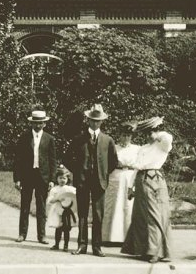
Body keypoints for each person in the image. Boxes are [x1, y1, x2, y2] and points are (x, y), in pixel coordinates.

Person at [120, 117, 174, 263]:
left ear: (156, 131)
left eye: (150, 132)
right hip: (141, 180)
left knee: (155, 215)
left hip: (154, 180)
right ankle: (144, 250)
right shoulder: (143, 148)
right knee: (140, 216)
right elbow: (137, 168)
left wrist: (158, 133)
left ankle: (156, 251)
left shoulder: (161, 145)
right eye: (145, 133)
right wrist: (130, 187)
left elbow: (169, 138)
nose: (147, 136)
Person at [69, 104, 118, 257]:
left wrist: (103, 173)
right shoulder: (78, 139)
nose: (95, 123)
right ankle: (82, 245)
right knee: (82, 213)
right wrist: (78, 171)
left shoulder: (107, 140)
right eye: (92, 120)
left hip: (99, 182)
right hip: (82, 181)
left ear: (101, 122)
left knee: (98, 214)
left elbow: (113, 162)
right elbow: (67, 158)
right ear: (88, 120)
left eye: (98, 121)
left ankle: (97, 247)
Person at [13, 109, 58, 244]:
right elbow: (18, 159)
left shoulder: (49, 139)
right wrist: (17, 178)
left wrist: (52, 179)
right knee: (25, 205)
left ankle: (42, 236)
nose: (38, 126)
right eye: (35, 123)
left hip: (42, 177)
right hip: (27, 176)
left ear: (44, 124)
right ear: (31, 123)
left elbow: (53, 160)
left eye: (40, 123)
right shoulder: (24, 137)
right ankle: (22, 234)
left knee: (41, 207)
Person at [104, 131, 141, 246]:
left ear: (131, 136)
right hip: (116, 176)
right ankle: (109, 237)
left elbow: (139, 164)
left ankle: (128, 238)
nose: (125, 137)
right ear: (119, 135)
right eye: (123, 134)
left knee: (128, 206)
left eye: (128, 135)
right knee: (113, 205)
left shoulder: (137, 149)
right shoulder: (113, 147)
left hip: (130, 176)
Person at [45, 166, 76, 251]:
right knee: (58, 228)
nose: (62, 180)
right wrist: (57, 199)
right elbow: (49, 200)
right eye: (60, 178)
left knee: (66, 229)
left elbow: (75, 197)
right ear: (57, 178)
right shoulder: (54, 189)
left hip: (67, 211)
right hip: (57, 211)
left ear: (67, 179)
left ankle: (66, 245)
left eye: (64, 178)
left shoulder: (70, 189)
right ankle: (56, 244)